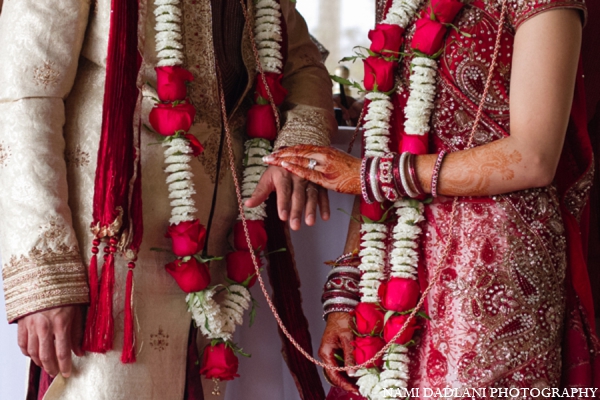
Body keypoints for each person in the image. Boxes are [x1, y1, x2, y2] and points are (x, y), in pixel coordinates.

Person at [0, 0, 335, 399]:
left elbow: (301, 63)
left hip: (222, 260)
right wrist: (47, 275)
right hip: (113, 259)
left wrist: (300, 140)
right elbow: (22, 99)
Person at [264, 0, 600, 394]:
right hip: (394, 270)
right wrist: (346, 296)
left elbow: (535, 156)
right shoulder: (399, 4)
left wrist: (368, 175)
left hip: (493, 267)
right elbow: (384, 144)